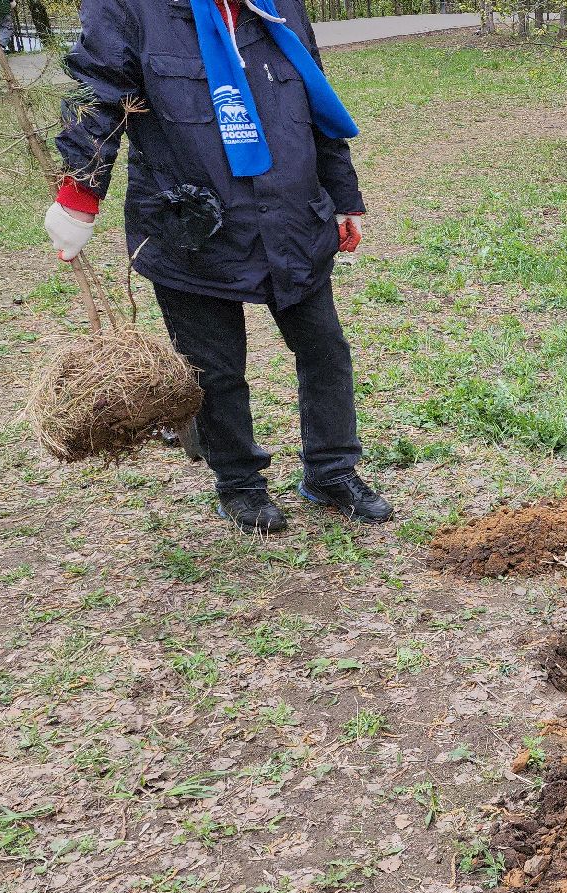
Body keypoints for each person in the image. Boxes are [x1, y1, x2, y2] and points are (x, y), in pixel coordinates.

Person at [43, 0, 392, 534]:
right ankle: (239, 483)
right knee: (215, 368)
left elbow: (315, 97)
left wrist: (344, 195)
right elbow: (100, 98)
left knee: (325, 350)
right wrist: (79, 193)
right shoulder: (130, 9)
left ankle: (331, 470)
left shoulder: (278, 7)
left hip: (292, 218)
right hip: (192, 225)